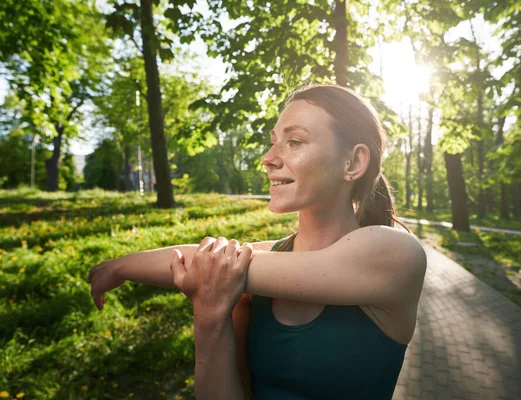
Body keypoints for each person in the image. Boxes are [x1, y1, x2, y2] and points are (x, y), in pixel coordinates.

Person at [87, 84, 427, 400]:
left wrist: (120, 267)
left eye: (294, 142)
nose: (268, 157)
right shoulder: (259, 265)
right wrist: (208, 317)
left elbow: (208, 260)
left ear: (353, 162)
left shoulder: (397, 254)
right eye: (273, 140)